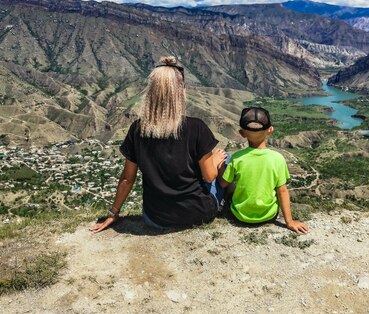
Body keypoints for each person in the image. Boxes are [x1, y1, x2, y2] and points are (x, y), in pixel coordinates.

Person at [90, 56, 227, 233]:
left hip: (155, 217)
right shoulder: (196, 127)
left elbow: (127, 178)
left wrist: (113, 213)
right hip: (197, 214)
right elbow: (209, 177)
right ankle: (234, 210)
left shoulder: (138, 129)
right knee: (226, 157)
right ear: (181, 91)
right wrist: (215, 159)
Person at [218, 106, 308, 234]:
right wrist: (290, 222)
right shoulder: (277, 158)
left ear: (242, 133)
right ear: (270, 130)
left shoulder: (237, 158)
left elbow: (223, 184)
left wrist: (221, 167)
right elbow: (282, 191)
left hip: (240, 216)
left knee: (230, 183)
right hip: (268, 216)